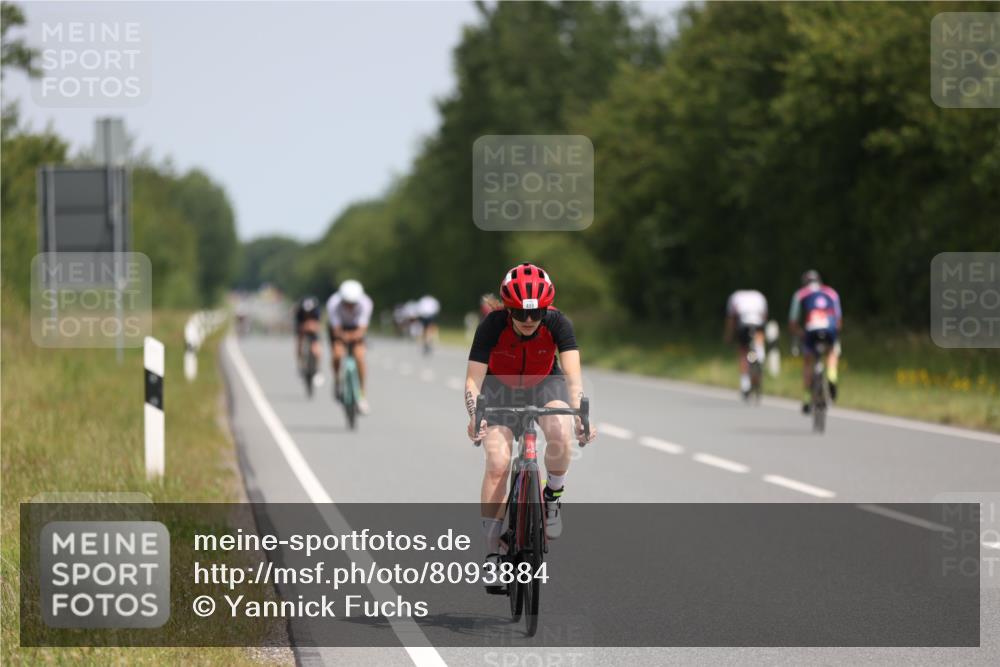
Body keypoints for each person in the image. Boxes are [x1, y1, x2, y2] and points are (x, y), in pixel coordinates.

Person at [464, 263, 597, 580]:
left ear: (545, 309)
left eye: (535, 313)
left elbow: (573, 378)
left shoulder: (558, 322)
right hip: (499, 388)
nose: (527, 320)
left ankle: (552, 497)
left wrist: (581, 417)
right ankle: (493, 553)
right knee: (497, 462)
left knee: (560, 430)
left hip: (545, 384)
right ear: (507, 309)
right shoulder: (492, 325)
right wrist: (474, 415)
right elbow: (473, 380)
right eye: (519, 313)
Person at [788, 270, 842, 413]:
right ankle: (832, 377)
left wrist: (800, 334)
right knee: (832, 352)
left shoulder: (800, 294)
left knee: (808, 361)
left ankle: (807, 399)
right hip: (829, 328)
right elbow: (838, 320)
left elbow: (793, 321)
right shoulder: (831, 292)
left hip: (811, 329)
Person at [326, 279, 373, 415]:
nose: (350, 306)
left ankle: (362, 395)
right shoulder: (333, 303)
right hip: (339, 328)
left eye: (353, 304)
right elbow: (335, 328)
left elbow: (362, 328)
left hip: (356, 329)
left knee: (359, 357)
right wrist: (342, 336)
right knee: (337, 354)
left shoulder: (366, 303)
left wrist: (353, 336)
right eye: (347, 303)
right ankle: (337, 381)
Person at [724, 289, 768, 399]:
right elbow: (764, 317)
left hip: (744, 325)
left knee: (743, 352)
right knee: (758, 341)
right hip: (758, 324)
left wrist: (729, 336)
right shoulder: (759, 296)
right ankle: (760, 355)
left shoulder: (734, 297)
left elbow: (731, 319)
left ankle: (745, 385)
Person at [294, 295, 323, 375]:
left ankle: (317, 368)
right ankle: (300, 364)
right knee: (299, 343)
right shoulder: (299, 312)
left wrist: (312, 327)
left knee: (316, 349)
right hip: (302, 328)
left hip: (313, 330)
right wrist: (305, 327)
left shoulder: (316, 312)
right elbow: (298, 326)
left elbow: (318, 325)